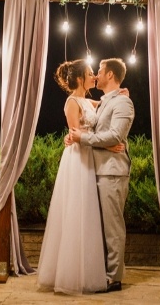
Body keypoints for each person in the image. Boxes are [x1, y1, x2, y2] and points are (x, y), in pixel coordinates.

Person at [37, 59, 124, 295]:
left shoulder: (89, 101)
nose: (94, 76)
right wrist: (107, 147)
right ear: (79, 79)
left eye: (95, 73)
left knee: (89, 214)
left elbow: (107, 103)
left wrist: (121, 92)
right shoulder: (72, 102)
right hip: (78, 159)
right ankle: (71, 273)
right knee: (76, 212)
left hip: (91, 157)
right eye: (89, 74)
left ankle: (89, 269)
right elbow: (75, 133)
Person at [69, 58, 135, 293]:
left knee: (113, 226)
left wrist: (82, 138)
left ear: (110, 75)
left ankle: (114, 278)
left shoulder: (123, 103)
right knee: (100, 226)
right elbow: (91, 127)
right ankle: (102, 271)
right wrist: (75, 136)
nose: (96, 74)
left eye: (99, 70)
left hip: (112, 172)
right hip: (95, 169)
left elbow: (115, 136)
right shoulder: (106, 101)